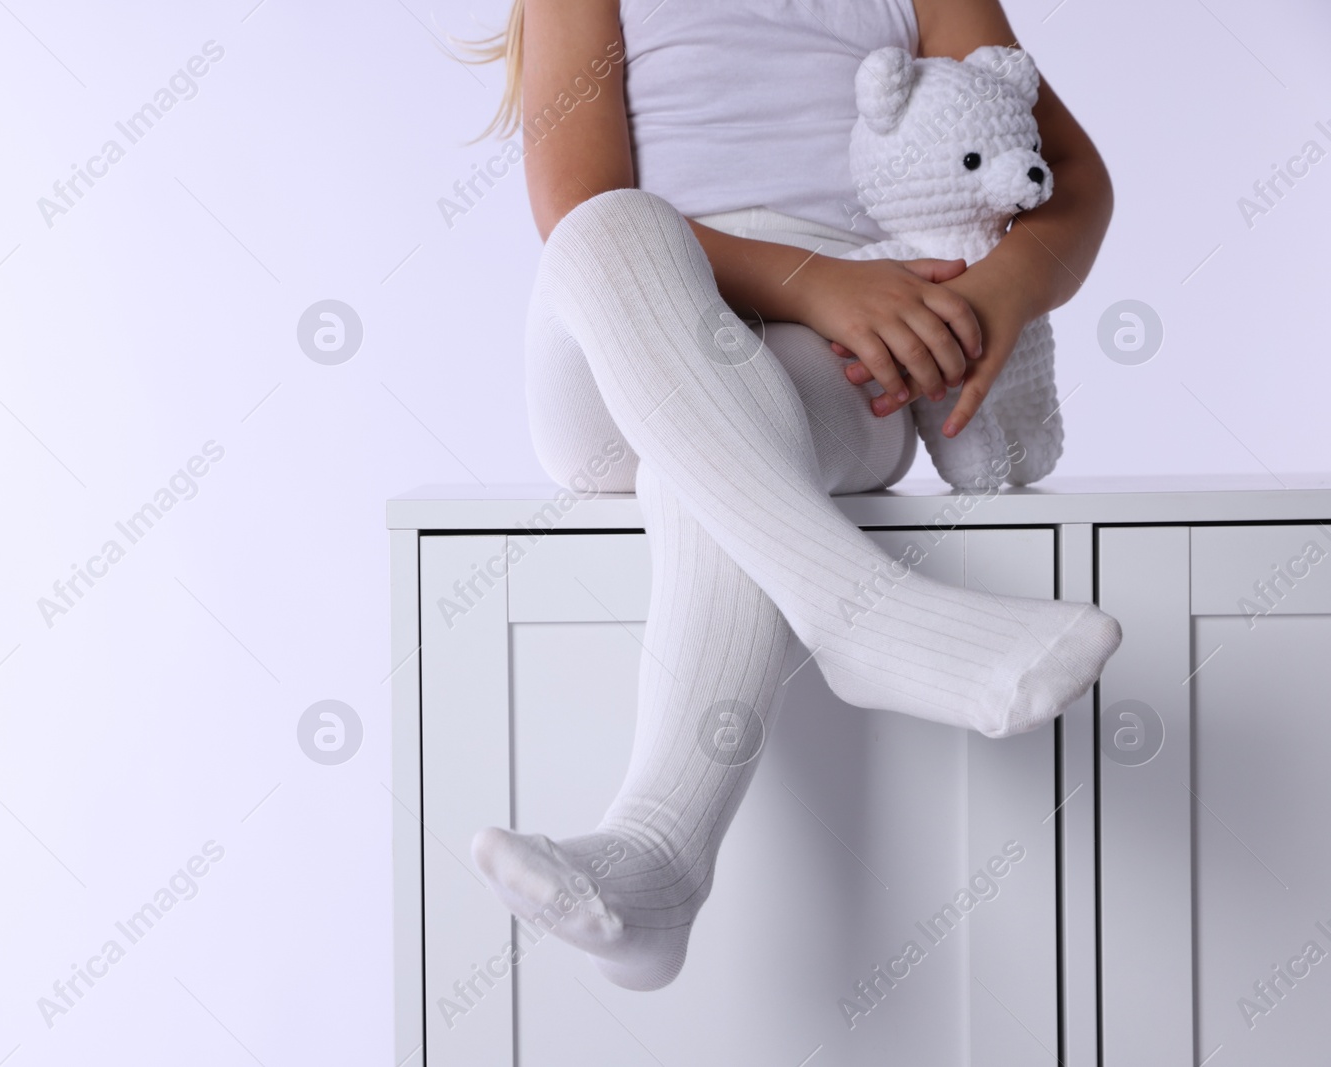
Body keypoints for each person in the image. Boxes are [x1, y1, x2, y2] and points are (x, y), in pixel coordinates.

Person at [454, 0, 1121, 992]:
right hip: (619, 334)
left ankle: (653, 862)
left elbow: (1073, 184)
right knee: (614, 225)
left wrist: (993, 293)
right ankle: (863, 615)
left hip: (836, 360)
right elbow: (574, 200)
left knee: (727, 435)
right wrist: (807, 279)